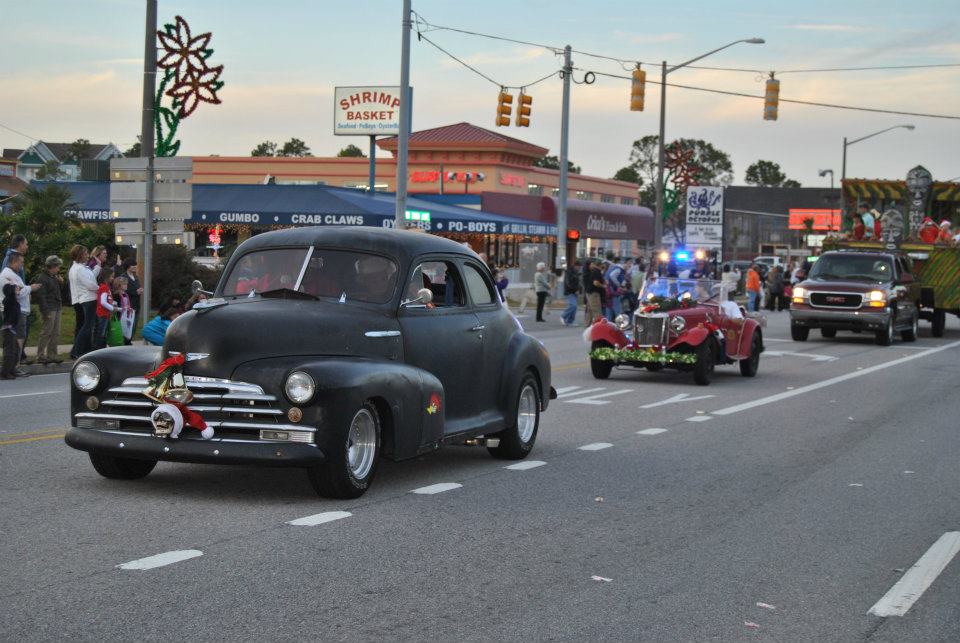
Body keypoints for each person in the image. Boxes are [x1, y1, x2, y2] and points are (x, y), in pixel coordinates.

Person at [0, 251, 39, 375]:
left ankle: (12, 367)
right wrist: (30, 288)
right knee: (13, 342)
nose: (22, 265)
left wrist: (24, 289)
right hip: (13, 313)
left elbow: (19, 290)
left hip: (18, 311)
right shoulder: (7, 275)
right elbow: (17, 293)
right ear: (14, 261)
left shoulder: (13, 275)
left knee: (16, 342)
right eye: (21, 262)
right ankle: (10, 368)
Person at [68, 245, 99, 359]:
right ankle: (76, 350)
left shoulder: (80, 267)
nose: (88, 256)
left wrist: (98, 266)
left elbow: (90, 278)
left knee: (87, 326)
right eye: (85, 254)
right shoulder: (79, 269)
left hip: (87, 298)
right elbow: (90, 284)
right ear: (80, 255)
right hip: (88, 298)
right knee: (87, 326)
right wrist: (101, 288)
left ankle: (85, 350)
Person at [34, 255, 64, 364]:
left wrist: (60, 282)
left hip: (57, 306)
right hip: (49, 308)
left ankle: (52, 355)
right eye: (57, 266)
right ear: (52, 266)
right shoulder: (42, 278)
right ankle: (40, 355)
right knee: (46, 332)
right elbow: (41, 296)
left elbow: (57, 291)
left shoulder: (54, 277)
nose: (59, 269)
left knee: (56, 332)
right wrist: (45, 311)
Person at [1, 282, 21, 379]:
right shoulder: (9, 300)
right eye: (16, 289)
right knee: (9, 351)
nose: (18, 290)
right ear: (11, 291)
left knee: (16, 350)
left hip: (12, 328)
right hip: (8, 328)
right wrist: (11, 285)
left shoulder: (14, 301)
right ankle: (5, 372)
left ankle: (11, 369)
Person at [93, 267, 115, 350]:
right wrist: (112, 308)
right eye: (112, 276)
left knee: (103, 332)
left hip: (105, 313)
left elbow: (107, 300)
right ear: (106, 277)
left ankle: (101, 348)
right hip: (103, 314)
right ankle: (98, 349)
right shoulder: (104, 287)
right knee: (101, 333)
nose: (113, 278)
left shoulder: (106, 287)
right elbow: (103, 302)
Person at [122, 259, 142, 344]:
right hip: (128, 306)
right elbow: (123, 291)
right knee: (128, 326)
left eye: (135, 265)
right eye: (133, 265)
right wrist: (135, 292)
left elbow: (138, 287)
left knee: (134, 326)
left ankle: (129, 341)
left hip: (136, 305)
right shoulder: (123, 277)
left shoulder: (136, 277)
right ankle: (126, 342)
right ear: (128, 266)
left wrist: (140, 290)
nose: (135, 266)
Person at [583, 260, 604, 326]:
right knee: (597, 309)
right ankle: (599, 326)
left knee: (590, 309)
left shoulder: (592, 271)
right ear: (600, 265)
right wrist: (603, 286)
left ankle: (587, 323)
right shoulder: (596, 271)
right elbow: (595, 283)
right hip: (593, 293)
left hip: (589, 292)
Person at [561, 259, 581, 326]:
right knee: (573, 305)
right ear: (575, 266)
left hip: (574, 292)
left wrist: (579, 290)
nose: (579, 268)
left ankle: (570, 322)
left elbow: (577, 283)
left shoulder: (576, 272)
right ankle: (563, 316)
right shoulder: (569, 272)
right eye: (579, 267)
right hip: (569, 291)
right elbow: (568, 283)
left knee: (574, 308)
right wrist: (575, 290)